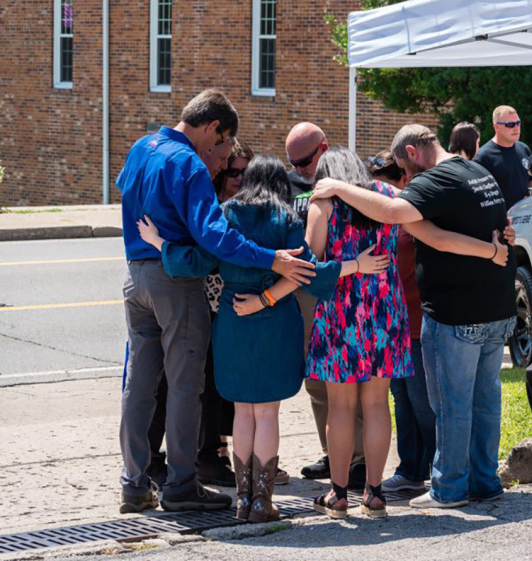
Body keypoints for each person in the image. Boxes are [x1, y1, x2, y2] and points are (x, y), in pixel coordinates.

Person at [136, 154, 388, 522]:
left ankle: (242, 499)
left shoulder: (226, 214)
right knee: (268, 412)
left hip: (233, 320)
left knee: (242, 411)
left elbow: (198, 261)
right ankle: (262, 502)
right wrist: (353, 266)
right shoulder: (285, 219)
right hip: (275, 322)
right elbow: (308, 272)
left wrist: (160, 243)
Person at [116, 88, 316, 514]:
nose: (222, 159)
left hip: (136, 276)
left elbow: (128, 195)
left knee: (140, 383)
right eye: (222, 147)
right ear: (213, 128)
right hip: (177, 281)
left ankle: (134, 483)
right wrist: (271, 258)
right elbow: (214, 236)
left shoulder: (140, 147)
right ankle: (181, 485)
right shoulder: (188, 162)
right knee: (186, 385)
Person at [311, 125, 517, 509]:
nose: (406, 176)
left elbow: (314, 257)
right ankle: (379, 491)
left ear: (412, 151)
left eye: (405, 167)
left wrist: (335, 191)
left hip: (350, 313)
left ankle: (346, 492)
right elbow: (440, 233)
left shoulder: (330, 201)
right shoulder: (471, 174)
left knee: (352, 406)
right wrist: (492, 250)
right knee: (390, 404)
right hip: (395, 312)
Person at [145, 137, 238, 489]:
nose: (235, 176)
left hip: (217, 307)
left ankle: (209, 456)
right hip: (187, 298)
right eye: (230, 168)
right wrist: (161, 245)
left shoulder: (228, 207)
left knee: (209, 387)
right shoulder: (202, 204)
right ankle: (161, 464)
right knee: (172, 384)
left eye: (242, 169)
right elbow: (200, 257)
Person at [285, 123, 367, 487]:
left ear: (324, 148)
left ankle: (362, 458)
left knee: (360, 382)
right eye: (294, 163)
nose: (300, 169)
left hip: (351, 288)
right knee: (317, 380)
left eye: (304, 161)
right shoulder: (291, 185)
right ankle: (334, 453)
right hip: (308, 291)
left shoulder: (350, 177)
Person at [367, 151, 435, 493]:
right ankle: (411, 468)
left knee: (423, 400)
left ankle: (443, 470)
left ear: (403, 180)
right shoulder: (374, 217)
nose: (379, 190)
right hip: (392, 325)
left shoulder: (411, 216)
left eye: (386, 181)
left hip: (418, 320)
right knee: (401, 399)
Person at [474, 105, 532, 210]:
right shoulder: (484, 157)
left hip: (527, 218)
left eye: (518, 123)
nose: (516, 128)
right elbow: (481, 196)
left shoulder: (524, 149)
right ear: (496, 127)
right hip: (503, 222)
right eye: (510, 125)